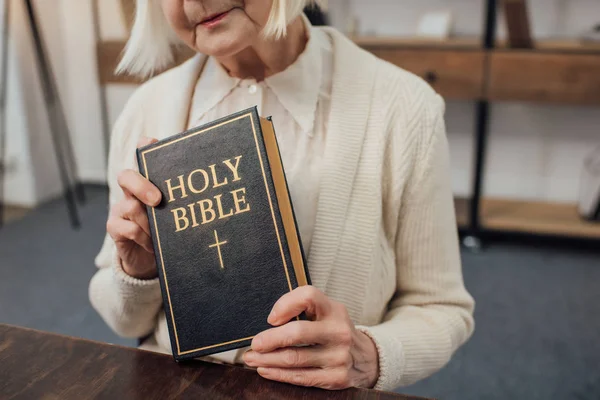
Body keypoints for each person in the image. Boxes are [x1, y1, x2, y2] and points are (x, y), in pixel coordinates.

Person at [90, 0, 475, 391]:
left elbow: (442, 309)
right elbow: (126, 321)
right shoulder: (147, 109)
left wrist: (369, 355)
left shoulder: (405, 107)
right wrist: (137, 272)